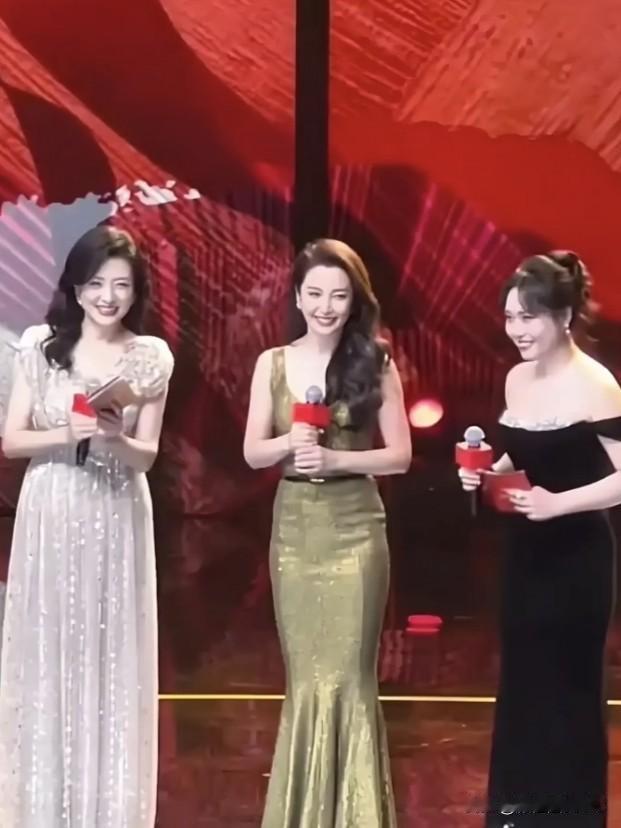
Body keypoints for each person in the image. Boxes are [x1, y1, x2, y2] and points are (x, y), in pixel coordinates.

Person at [0, 224, 174, 827]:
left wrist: (114, 436)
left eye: (121, 285)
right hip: (51, 506)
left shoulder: (149, 356)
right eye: (97, 283)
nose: (108, 297)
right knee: (48, 649)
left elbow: (147, 456)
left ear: (136, 292)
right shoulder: (41, 346)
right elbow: (12, 440)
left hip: (116, 508)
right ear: (76, 288)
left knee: (110, 652)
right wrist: (64, 433)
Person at [243, 238, 411, 828]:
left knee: (348, 678)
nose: (326, 307)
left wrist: (337, 460)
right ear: (297, 296)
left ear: (354, 301)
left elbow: (400, 456)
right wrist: (289, 443)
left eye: (339, 296)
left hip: (355, 527)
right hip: (295, 529)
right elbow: (252, 452)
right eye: (314, 293)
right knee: (307, 679)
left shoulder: (376, 362)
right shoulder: (273, 363)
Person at [459, 251, 621, 827]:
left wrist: (558, 503)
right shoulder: (516, 378)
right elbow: (523, 454)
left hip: (577, 559)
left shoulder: (597, 385)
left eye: (529, 317)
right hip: (524, 554)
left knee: (566, 692)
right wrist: (486, 471)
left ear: (564, 317)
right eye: (510, 317)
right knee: (523, 686)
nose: (517, 330)